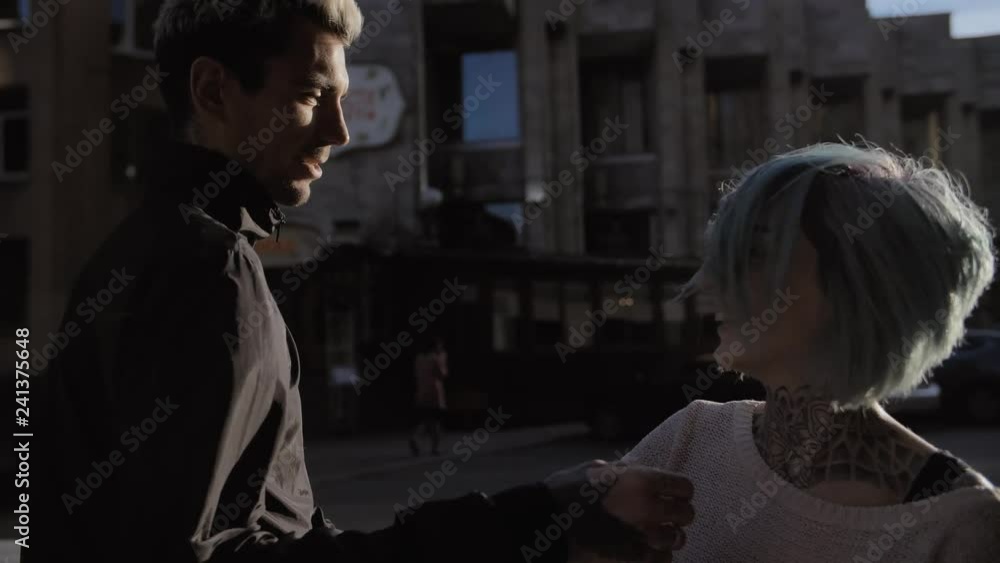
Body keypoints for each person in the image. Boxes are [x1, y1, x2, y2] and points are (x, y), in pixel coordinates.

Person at [26, 2, 696, 562]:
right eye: (311, 95)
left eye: (343, 100)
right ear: (213, 90)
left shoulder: (128, 257)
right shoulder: (207, 270)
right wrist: (543, 516)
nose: (339, 130)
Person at [594, 143, 1000, 562]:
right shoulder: (691, 437)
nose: (706, 283)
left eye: (753, 254)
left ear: (858, 284)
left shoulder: (966, 523)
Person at [410, 336, 448, 456]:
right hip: (434, 393)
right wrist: (443, 361)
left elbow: (416, 374)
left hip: (421, 391)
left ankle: (416, 437)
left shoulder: (418, 358)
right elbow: (442, 374)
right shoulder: (435, 359)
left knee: (426, 419)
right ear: (435, 347)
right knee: (435, 421)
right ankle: (435, 448)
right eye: (440, 346)